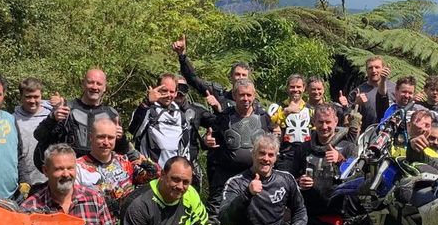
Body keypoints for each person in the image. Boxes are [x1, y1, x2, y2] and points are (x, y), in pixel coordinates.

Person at [281, 103, 355, 225]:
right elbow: (290, 179)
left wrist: (340, 161)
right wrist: (299, 181)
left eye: (328, 122)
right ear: (313, 122)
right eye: (320, 122)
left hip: (332, 214)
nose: (324, 126)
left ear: (336, 122)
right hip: (305, 212)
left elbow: (356, 180)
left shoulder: (348, 148)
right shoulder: (303, 148)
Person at [200, 79, 273, 216]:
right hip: (226, 174)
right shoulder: (224, 117)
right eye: (242, 95)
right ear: (234, 96)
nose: (246, 99)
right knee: (216, 211)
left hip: (254, 174)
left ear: (254, 95)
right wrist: (206, 141)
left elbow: (273, 143)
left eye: (249, 95)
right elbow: (210, 139)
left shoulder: (264, 117)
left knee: (255, 212)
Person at [34, 68, 124, 160]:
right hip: (70, 168)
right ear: (83, 84)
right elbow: (39, 135)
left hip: (100, 170)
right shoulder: (66, 109)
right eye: (91, 82)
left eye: (99, 84)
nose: (94, 87)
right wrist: (52, 118)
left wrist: (121, 138)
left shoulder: (111, 115)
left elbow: (121, 150)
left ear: (104, 87)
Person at [75, 117, 157, 217]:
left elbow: (155, 175)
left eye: (110, 138)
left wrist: (144, 162)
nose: (106, 142)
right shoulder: (77, 168)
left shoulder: (123, 161)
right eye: (101, 137)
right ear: (90, 137)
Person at [130, 73, 203, 168]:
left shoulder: (181, 116)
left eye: (172, 91)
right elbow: (133, 130)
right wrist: (147, 102)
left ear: (176, 93)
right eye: (164, 91)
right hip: (149, 173)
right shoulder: (147, 110)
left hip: (172, 175)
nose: (168, 95)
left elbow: (185, 149)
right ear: (156, 89)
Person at [173, 34, 252, 112]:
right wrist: (182, 56)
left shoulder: (254, 105)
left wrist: (220, 109)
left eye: (244, 75)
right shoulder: (219, 95)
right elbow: (192, 78)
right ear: (231, 76)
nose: (240, 78)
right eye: (237, 74)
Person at [15, 78, 53, 190]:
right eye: (28, 97)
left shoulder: (51, 116)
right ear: (21, 97)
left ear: (41, 96)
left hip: (49, 178)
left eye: (36, 97)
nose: (32, 101)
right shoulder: (13, 119)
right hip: (24, 181)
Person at [269, 74, 313, 146]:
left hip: (306, 151)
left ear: (304, 88)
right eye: (292, 87)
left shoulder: (310, 110)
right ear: (287, 88)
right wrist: (286, 112)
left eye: (298, 87)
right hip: (285, 151)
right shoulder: (279, 107)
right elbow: (270, 124)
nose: (295, 90)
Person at [351, 56, 394, 128]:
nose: (374, 71)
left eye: (377, 67)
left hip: (388, 133)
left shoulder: (394, 89)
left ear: (383, 69)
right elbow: (347, 117)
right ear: (366, 70)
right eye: (370, 68)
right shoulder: (357, 92)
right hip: (367, 134)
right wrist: (356, 104)